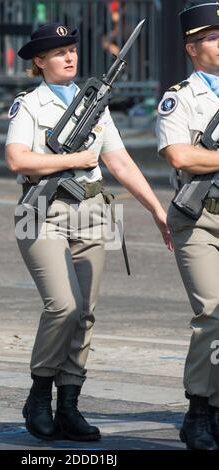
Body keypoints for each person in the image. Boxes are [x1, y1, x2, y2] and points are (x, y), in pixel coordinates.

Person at [5, 22, 172, 442]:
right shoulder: (29, 105)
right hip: (41, 211)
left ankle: (70, 406)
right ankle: (39, 396)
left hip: (96, 210)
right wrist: (73, 158)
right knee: (63, 305)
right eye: (58, 51)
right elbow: (17, 160)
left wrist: (156, 208)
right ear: (39, 62)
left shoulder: (94, 104)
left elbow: (118, 161)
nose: (69, 56)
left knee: (86, 311)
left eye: (72, 49)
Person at [156, 2, 219, 451]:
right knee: (213, 313)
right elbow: (180, 156)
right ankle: (199, 410)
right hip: (200, 217)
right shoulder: (179, 97)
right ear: (193, 47)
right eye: (215, 36)